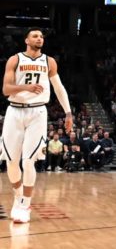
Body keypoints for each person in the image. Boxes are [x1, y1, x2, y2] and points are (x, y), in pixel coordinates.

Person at [1, 28, 73, 223]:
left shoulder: (49, 62)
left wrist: (68, 113)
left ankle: (25, 204)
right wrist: (26, 87)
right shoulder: (15, 60)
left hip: (38, 112)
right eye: (35, 36)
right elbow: (6, 89)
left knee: (29, 160)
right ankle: (18, 196)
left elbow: (59, 88)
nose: (39, 38)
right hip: (14, 110)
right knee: (11, 161)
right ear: (26, 40)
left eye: (41, 36)